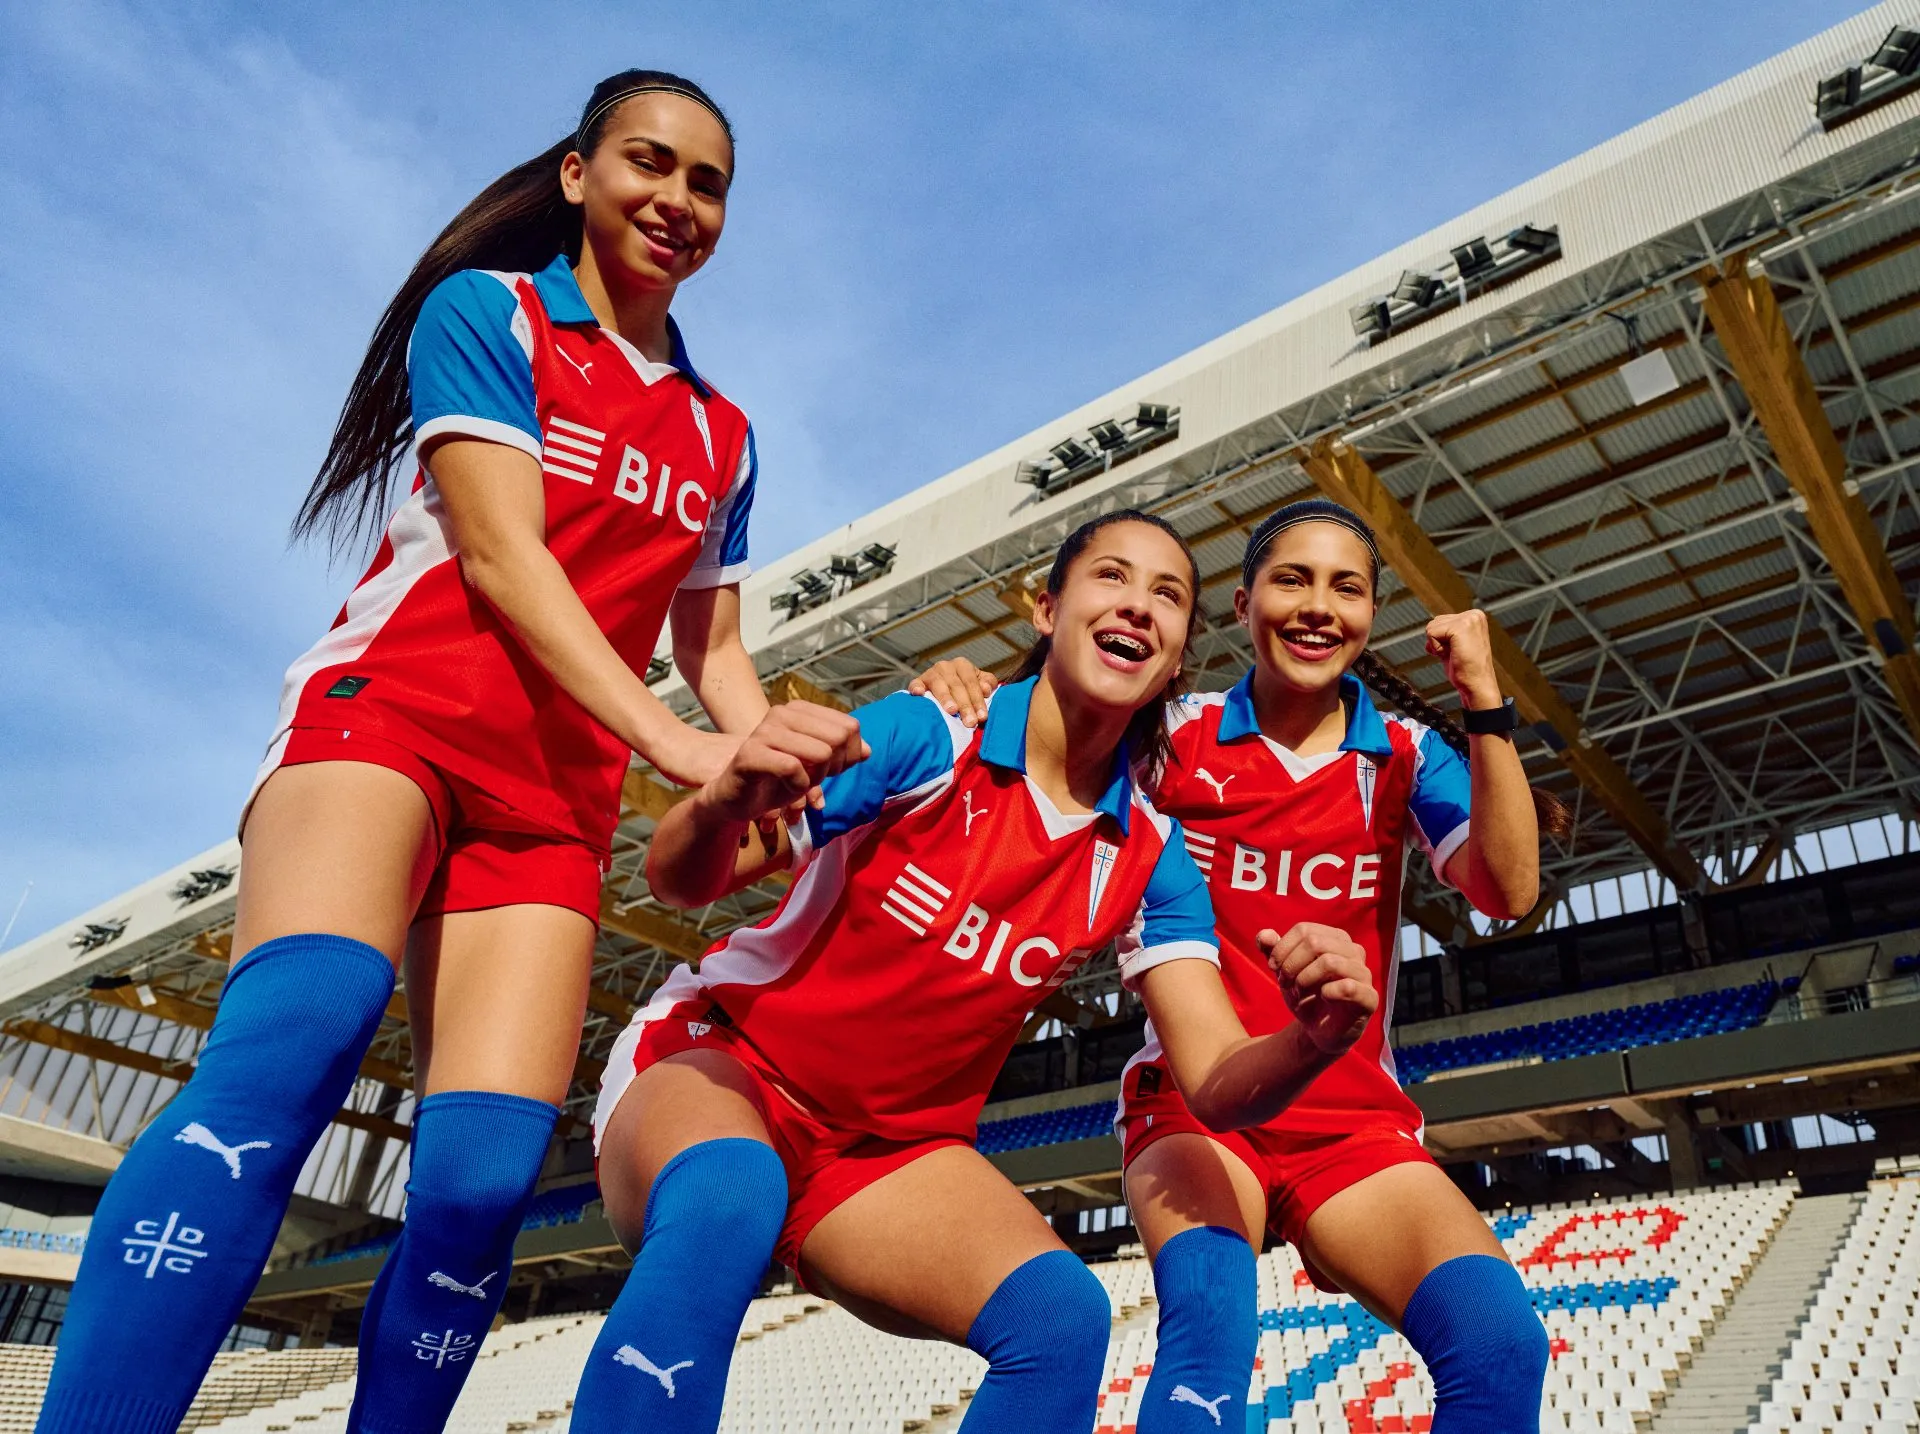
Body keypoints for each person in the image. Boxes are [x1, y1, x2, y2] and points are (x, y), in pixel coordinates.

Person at [39, 70, 770, 1434]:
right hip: (393, 720)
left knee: (482, 1183)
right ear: (576, 173)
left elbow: (715, 650)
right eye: (649, 163)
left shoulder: (722, 432)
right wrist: (679, 741)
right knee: (296, 1039)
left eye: (707, 182)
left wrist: (775, 756)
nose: (675, 200)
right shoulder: (489, 312)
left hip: (549, 804)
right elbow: (500, 556)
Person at [572, 511, 1380, 1434]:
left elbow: (1221, 1085)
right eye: (1111, 577)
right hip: (729, 1067)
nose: (1138, 606)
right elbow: (676, 879)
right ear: (1047, 608)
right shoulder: (929, 736)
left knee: (1062, 1321)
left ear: (1180, 655)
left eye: (1168, 596)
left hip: (882, 1155)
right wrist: (721, 799)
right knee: (729, 1196)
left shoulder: (1150, 859)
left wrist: (1314, 1038)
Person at [916, 498, 1568, 1433]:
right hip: (1195, 1103)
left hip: (1351, 1122)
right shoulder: (1170, 731)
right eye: (1290, 579)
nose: (1317, 606)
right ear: (1241, 600)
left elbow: (1506, 890)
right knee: (1208, 1348)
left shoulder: (1407, 756)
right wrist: (965, 685)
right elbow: (1047, 745)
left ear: (1372, 615)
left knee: (1501, 1346)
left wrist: (1484, 701)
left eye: (1346, 588)